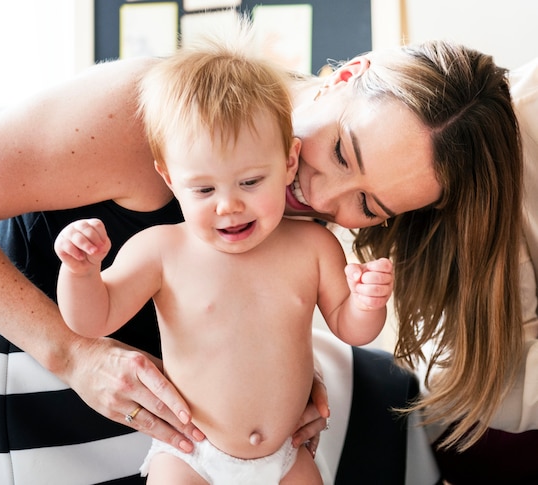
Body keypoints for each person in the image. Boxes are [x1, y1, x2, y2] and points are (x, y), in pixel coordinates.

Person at [0, 14, 533, 483]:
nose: (322, 194)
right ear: (347, 77)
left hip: (159, 433)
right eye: (343, 152)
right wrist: (73, 355)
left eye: (369, 206)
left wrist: (280, 376)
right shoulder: (153, 107)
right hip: (22, 402)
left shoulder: (304, 208)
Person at [53, 39, 392, 485]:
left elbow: (352, 329)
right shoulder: (160, 250)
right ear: (170, 178)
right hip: (192, 455)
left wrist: (367, 302)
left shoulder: (313, 246)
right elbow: (91, 320)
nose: (229, 206)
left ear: (289, 162)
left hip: (289, 455)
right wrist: (81, 271)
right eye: (204, 190)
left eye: (250, 181)